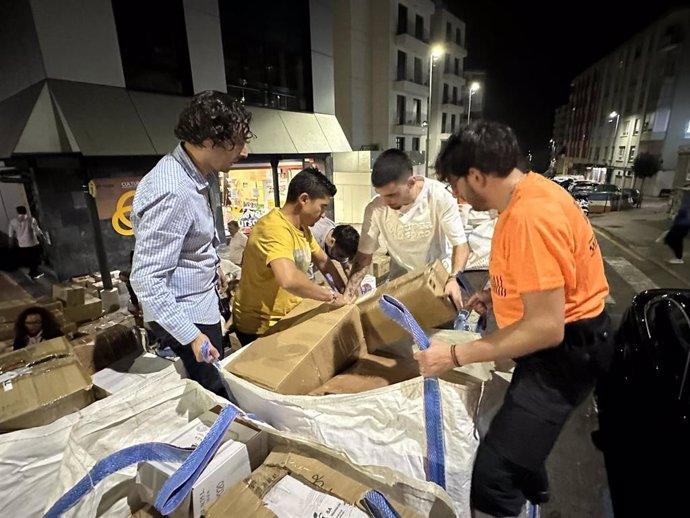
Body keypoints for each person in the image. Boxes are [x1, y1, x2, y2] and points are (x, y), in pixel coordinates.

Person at [416, 121, 613, 518]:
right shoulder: (531, 192)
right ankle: (536, 490)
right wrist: (497, 294)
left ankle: (519, 489)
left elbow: (546, 326)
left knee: (493, 478)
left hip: (564, 356)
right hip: (560, 349)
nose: (457, 196)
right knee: (513, 438)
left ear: (476, 175)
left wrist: (454, 356)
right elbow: (548, 275)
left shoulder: (529, 216)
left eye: (456, 185)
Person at [130, 90, 252, 396]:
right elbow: (146, 279)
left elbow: (192, 239)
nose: (245, 151)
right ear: (210, 141)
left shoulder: (201, 173)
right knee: (211, 398)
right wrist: (192, 336)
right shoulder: (172, 190)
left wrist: (212, 265)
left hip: (202, 302)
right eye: (237, 142)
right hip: (187, 318)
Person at [233, 167, 347, 346]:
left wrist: (344, 290)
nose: (324, 214)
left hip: (288, 316)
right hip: (262, 328)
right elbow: (288, 279)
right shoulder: (273, 229)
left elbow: (324, 262)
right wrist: (331, 296)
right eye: (322, 207)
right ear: (304, 199)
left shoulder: (302, 229)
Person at [344, 149, 469, 308]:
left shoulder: (438, 197)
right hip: (401, 283)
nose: (386, 201)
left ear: (411, 182)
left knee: (439, 330)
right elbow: (363, 256)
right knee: (398, 330)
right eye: (381, 194)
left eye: (392, 195)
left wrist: (453, 279)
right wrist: (349, 293)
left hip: (438, 280)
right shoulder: (376, 208)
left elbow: (461, 245)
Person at [9, 206, 45, 280]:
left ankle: (32, 272)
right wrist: (42, 238)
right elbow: (37, 230)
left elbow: (11, 235)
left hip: (22, 244)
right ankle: (33, 274)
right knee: (34, 259)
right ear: (25, 211)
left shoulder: (13, 221)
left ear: (18, 212)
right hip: (32, 243)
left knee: (28, 259)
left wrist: (11, 244)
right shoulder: (31, 219)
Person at [663, 197, 690, 264]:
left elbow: (685, 213)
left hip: (683, 225)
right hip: (680, 224)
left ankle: (679, 258)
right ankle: (679, 257)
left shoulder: (686, 204)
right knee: (676, 240)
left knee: (671, 239)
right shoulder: (685, 202)